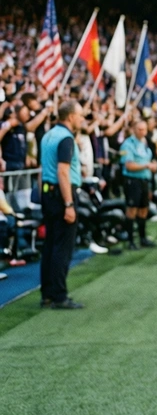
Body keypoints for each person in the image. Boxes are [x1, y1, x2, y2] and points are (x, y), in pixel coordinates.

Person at [38, 100, 85, 309]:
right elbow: (63, 172)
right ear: (71, 117)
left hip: (48, 193)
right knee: (62, 246)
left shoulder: (48, 135)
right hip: (62, 194)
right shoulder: (66, 138)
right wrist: (68, 203)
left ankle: (47, 292)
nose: (82, 119)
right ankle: (59, 295)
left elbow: (43, 169)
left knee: (50, 244)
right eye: (80, 115)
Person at [0, 92, 51, 203]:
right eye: (25, 111)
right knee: (10, 195)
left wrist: (28, 155)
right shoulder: (7, 125)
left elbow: (26, 142)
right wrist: (7, 126)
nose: (28, 113)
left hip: (21, 165)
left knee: (22, 195)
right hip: (10, 165)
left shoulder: (21, 126)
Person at [119, 120, 157, 250]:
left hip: (144, 180)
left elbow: (148, 159)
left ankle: (143, 238)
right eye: (140, 129)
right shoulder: (127, 144)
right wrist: (147, 166)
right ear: (134, 130)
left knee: (144, 209)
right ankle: (130, 240)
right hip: (132, 181)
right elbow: (129, 165)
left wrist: (153, 165)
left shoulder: (145, 143)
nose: (143, 132)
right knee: (132, 209)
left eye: (144, 129)